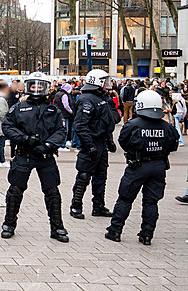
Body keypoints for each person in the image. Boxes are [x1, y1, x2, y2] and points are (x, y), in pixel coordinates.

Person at [0, 72, 69, 242]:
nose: (37, 88)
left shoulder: (53, 109)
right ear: (28, 86)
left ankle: (57, 227)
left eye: (40, 85)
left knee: (52, 192)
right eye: (33, 85)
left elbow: (61, 131)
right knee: (15, 189)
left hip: (45, 156)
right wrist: (24, 139)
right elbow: (7, 126)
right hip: (25, 154)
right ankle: (9, 224)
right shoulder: (19, 107)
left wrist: (48, 145)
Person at [105, 90, 179, 245]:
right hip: (159, 166)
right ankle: (147, 235)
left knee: (125, 199)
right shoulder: (166, 126)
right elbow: (173, 145)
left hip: (137, 165)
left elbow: (123, 141)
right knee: (151, 202)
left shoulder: (132, 124)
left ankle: (115, 230)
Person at [70, 69, 116, 220]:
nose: (107, 84)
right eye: (104, 81)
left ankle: (98, 206)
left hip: (101, 142)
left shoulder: (101, 98)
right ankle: (76, 205)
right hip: (91, 142)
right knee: (84, 175)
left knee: (101, 175)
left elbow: (106, 121)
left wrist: (109, 140)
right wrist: (89, 145)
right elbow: (81, 125)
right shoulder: (87, 99)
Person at [53, 83, 74, 152]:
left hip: (58, 114)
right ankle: (62, 145)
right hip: (64, 115)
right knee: (65, 130)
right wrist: (71, 112)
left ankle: (60, 144)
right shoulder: (64, 95)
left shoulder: (58, 94)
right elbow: (66, 106)